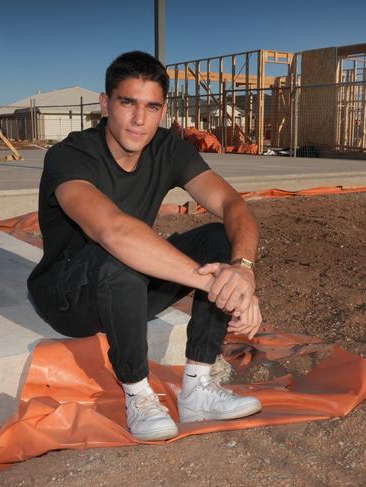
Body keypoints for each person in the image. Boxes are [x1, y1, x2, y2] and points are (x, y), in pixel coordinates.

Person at [28, 51, 263, 441]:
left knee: (221, 239)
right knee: (119, 255)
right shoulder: (69, 156)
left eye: (151, 107)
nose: (140, 120)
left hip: (131, 289)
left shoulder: (168, 148)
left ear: (163, 110)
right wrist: (214, 283)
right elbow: (114, 232)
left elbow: (232, 204)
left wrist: (241, 271)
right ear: (105, 104)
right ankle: (138, 394)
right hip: (68, 296)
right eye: (127, 103)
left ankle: (198, 388)